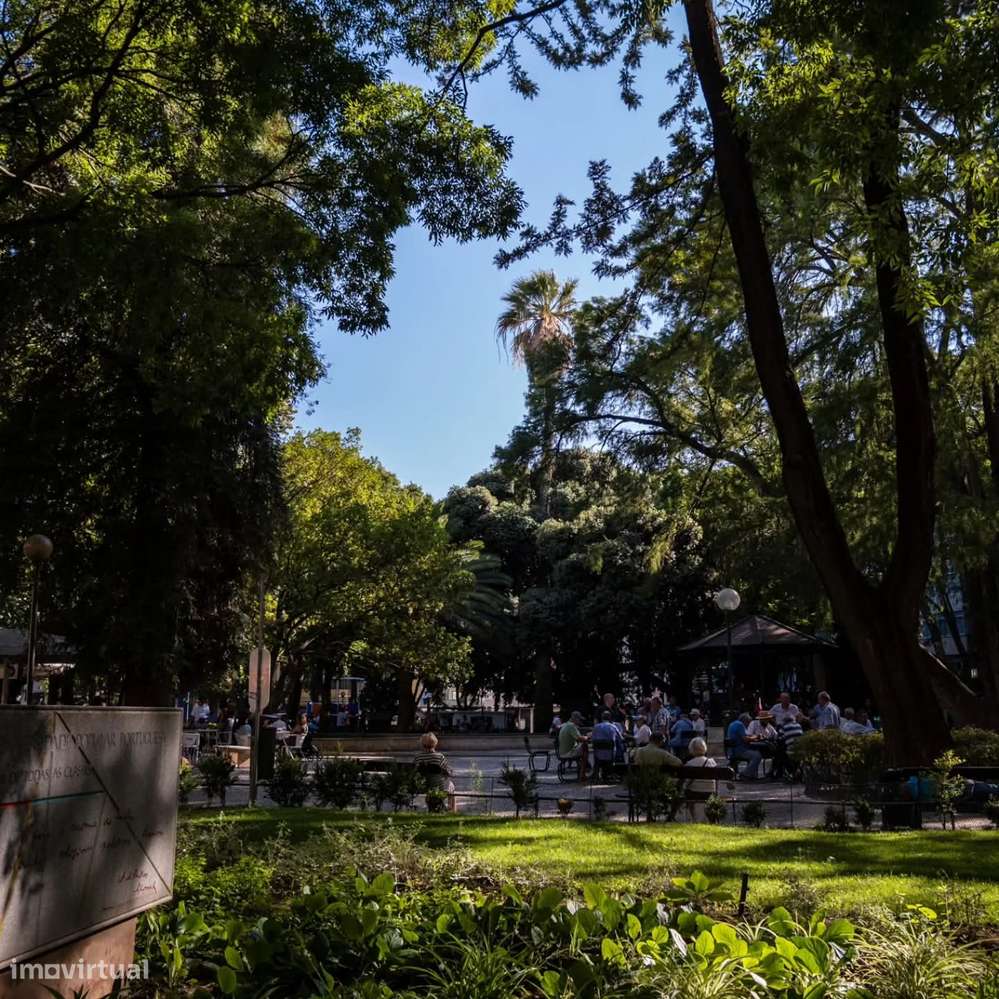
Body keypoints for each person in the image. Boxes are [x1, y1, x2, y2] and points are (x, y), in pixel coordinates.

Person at [414, 732, 456, 811]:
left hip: (423, 787)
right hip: (439, 787)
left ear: (422, 744)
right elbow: (448, 772)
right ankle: (452, 810)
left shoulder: (418, 757)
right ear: (435, 744)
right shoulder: (439, 756)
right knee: (451, 785)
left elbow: (415, 771)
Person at [683, 736, 719, 818]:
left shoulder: (690, 763)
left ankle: (693, 818)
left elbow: (687, 781)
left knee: (687, 790)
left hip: (694, 793)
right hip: (710, 792)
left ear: (691, 749)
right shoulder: (712, 762)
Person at [726, 712, 762, 780]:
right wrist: (756, 737)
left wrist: (752, 737)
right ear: (745, 721)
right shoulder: (740, 725)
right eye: (748, 723)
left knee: (754, 752)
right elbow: (745, 739)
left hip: (731, 750)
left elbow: (745, 735)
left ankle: (752, 775)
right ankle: (745, 774)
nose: (748, 725)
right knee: (757, 755)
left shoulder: (733, 723)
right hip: (739, 750)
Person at [558, 710, 589, 779]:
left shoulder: (566, 724)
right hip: (568, 753)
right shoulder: (571, 726)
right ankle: (583, 774)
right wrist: (588, 737)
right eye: (579, 720)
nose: (580, 722)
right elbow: (580, 738)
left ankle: (584, 768)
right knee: (585, 746)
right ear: (575, 719)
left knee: (582, 747)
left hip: (563, 752)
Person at [772, 712, 804, 780]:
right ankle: (793, 772)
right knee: (782, 751)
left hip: (792, 750)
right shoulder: (798, 725)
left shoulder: (784, 727)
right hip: (801, 749)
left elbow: (779, 738)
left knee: (779, 754)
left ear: (785, 721)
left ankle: (787, 772)